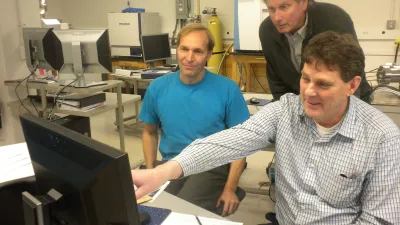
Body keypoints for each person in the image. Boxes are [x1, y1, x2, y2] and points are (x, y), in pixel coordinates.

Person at [132, 31, 400, 224]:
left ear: (352, 86)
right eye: (305, 79)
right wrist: (163, 171)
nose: (309, 92)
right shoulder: (286, 110)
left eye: (323, 84)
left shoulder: (383, 139)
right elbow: (231, 141)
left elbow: (381, 220)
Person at [138, 23, 250, 216]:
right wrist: (151, 173)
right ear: (177, 50)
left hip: (210, 166)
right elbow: (149, 132)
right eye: (184, 49)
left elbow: (242, 145)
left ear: (208, 55)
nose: (189, 58)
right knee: (148, 211)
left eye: (198, 51)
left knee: (179, 214)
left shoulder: (227, 89)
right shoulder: (157, 88)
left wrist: (230, 189)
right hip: (170, 164)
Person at [259, 0, 372, 102]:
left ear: (303, 3)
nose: (277, 17)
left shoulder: (334, 19)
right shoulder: (267, 31)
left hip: (344, 101)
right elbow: (276, 81)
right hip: (302, 104)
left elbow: (351, 73)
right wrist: (286, 112)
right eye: (272, 9)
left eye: (284, 7)